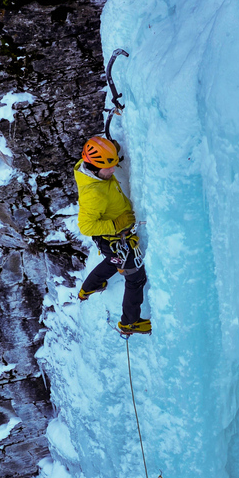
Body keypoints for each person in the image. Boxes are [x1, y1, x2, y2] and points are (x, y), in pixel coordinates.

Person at [73, 136, 151, 335]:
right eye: (109, 167)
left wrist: (112, 154)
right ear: (94, 168)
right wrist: (116, 224)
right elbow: (86, 226)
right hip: (114, 238)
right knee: (135, 278)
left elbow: (102, 154)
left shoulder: (89, 168)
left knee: (113, 261)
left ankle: (89, 287)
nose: (113, 170)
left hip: (112, 241)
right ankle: (129, 323)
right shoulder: (93, 193)